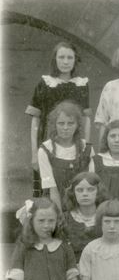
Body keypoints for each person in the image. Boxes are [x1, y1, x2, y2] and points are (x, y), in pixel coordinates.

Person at [26, 42, 90, 197]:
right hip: (48, 143)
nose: (66, 61)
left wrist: (86, 148)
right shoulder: (45, 83)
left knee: (73, 189)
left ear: (75, 60)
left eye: (70, 57)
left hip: (73, 144)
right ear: (55, 59)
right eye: (61, 57)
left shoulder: (81, 85)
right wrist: (34, 154)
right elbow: (35, 120)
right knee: (47, 190)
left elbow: (86, 118)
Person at [37, 100, 93, 210]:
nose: (65, 128)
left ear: (77, 125)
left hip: (81, 206)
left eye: (70, 123)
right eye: (61, 123)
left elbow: (91, 186)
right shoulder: (45, 150)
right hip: (54, 206)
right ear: (54, 125)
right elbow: (52, 189)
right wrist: (60, 219)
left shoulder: (87, 148)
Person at [61, 172, 109, 263]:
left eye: (90, 189)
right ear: (73, 193)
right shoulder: (65, 219)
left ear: (99, 192)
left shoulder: (107, 217)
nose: (85, 194)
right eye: (80, 190)